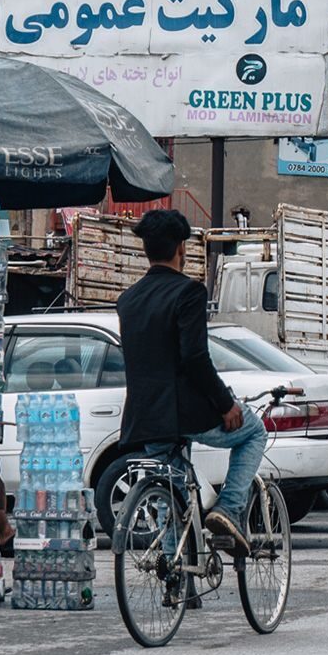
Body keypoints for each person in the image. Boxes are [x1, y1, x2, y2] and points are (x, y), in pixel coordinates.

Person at [117, 209, 267, 553]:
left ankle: (176, 580)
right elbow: (195, 358)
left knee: (172, 498)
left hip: (146, 416)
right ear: (181, 248)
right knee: (254, 432)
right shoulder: (188, 292)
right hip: (187, 411)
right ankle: (228, 509)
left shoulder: (128, 300)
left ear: (147, 249)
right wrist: (225, 403)